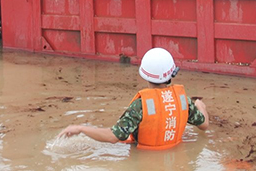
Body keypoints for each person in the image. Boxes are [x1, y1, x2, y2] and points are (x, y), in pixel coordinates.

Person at [58, 48, 209, 150]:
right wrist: (200, 106)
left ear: (144, 75)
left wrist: (80, 128)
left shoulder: (140, 105)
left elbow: (113, 137)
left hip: (144, 161)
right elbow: (204, 125)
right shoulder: (183, 100)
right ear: (172, 73)